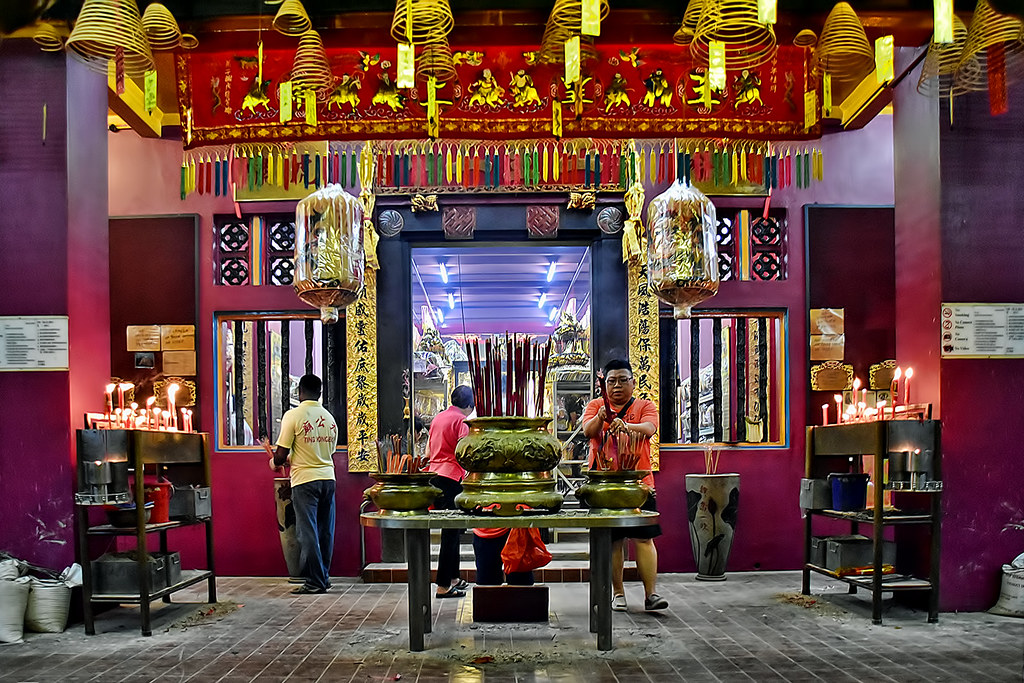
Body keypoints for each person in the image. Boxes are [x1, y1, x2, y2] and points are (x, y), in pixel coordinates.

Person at [581, 359, 667, 612]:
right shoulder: (596, 405)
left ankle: (651, 594)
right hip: (605, 487)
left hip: (639, 485)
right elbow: (588, 431)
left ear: (633, 382)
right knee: (613, 542)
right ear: (603, 385)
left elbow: (650, 428)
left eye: (622, 380)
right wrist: (600, 418)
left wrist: (626, 426)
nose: (617, 385)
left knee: (644, 539)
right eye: (611, 381)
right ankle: (617, 593)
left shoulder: (644, 406)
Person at [264, 374, 339, 595]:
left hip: (305, 481)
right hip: (328, 478)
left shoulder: (293, 415)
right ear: (320, 393)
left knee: (308, 532)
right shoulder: (329, 418)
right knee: (325, 531)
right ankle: (323, 576)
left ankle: (315, 581)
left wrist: (273, 462)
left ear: (299, 391)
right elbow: (327, 452)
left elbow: (281, 454)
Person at [426, 385, 475, 598]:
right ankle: (443, 584)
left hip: (434, 475)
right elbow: (464, 452)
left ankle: (453, 577)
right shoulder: (461, 421)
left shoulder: (439, 418)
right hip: (452, 476)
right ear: (469, 405)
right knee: (450, 532)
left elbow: (428, 450)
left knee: (452, 531)